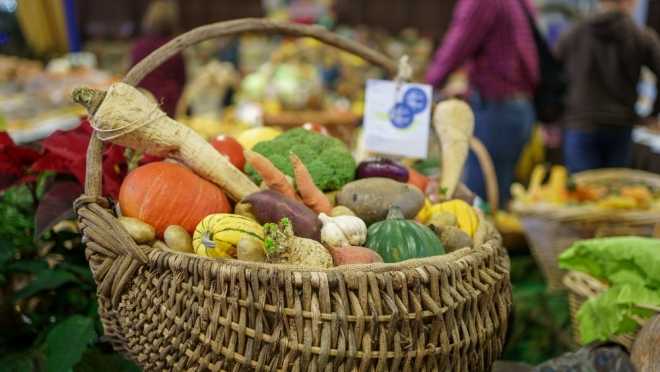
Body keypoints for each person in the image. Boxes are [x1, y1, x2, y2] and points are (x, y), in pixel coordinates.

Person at [425, 0, 540, 208]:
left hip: (497, 111)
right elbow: (510, 59)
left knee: (478, 205)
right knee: (498, 195)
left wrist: (423, 89)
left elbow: (454, 50)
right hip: (520, 106)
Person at [552, 0, 660, 173]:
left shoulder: (574, 31)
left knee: (582, 193)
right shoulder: (640, 35)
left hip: (581, 123)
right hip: (620, 125)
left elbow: (550, 72)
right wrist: (652, 113)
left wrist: (555, 114)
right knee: (612, 191)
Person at [129, 0, 186, 118]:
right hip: (169, 104)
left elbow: (132, 74)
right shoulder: (174, 46)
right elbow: (182, 78)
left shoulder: (139, 45)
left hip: (144, 102)